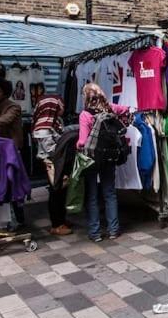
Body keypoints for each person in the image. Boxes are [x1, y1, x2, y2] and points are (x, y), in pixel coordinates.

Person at [77, 83, 128, 242]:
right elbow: (126, 109)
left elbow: (83, 141)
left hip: (92, 159)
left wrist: (77, 145)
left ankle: (95, 233)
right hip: (110, 157)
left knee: (92, 195)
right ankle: (113, 230)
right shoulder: (111, 108)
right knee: (110, 193)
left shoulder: (85, 115)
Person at [32, 90, 70, 235]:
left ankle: (61, 220)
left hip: (57, 162)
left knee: (61, 191)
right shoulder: (43, 127)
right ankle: (57, 224)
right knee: (56, 192)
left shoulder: (54, 122)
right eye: (61, 106)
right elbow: (51, 149)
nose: (63, 109)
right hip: (51, 163)